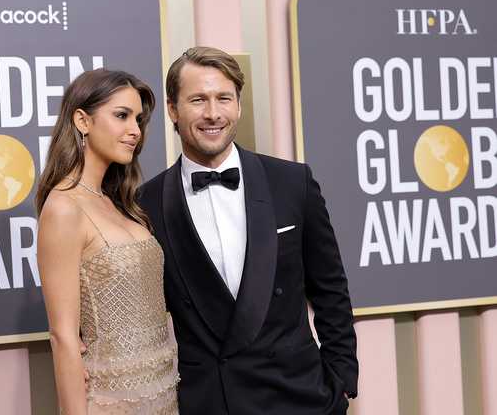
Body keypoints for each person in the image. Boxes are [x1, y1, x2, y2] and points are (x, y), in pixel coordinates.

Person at [138, 47, 358, 414]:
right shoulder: (146, 203)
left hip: (300, 395)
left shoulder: (292, 182)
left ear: (238, 106)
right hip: (211, 401)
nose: (213, 113)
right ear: (173, 110)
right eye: (197, 100)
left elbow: (331, 289)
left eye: (223, 98)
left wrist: (341, 381)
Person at [36, 69, 179, 414]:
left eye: (139, 119)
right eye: (121, 116)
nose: (135, 130)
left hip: (162, 393)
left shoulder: (118, 202)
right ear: (82, 121)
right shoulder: (63, 208)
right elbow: (64, 338)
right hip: (110, 402)